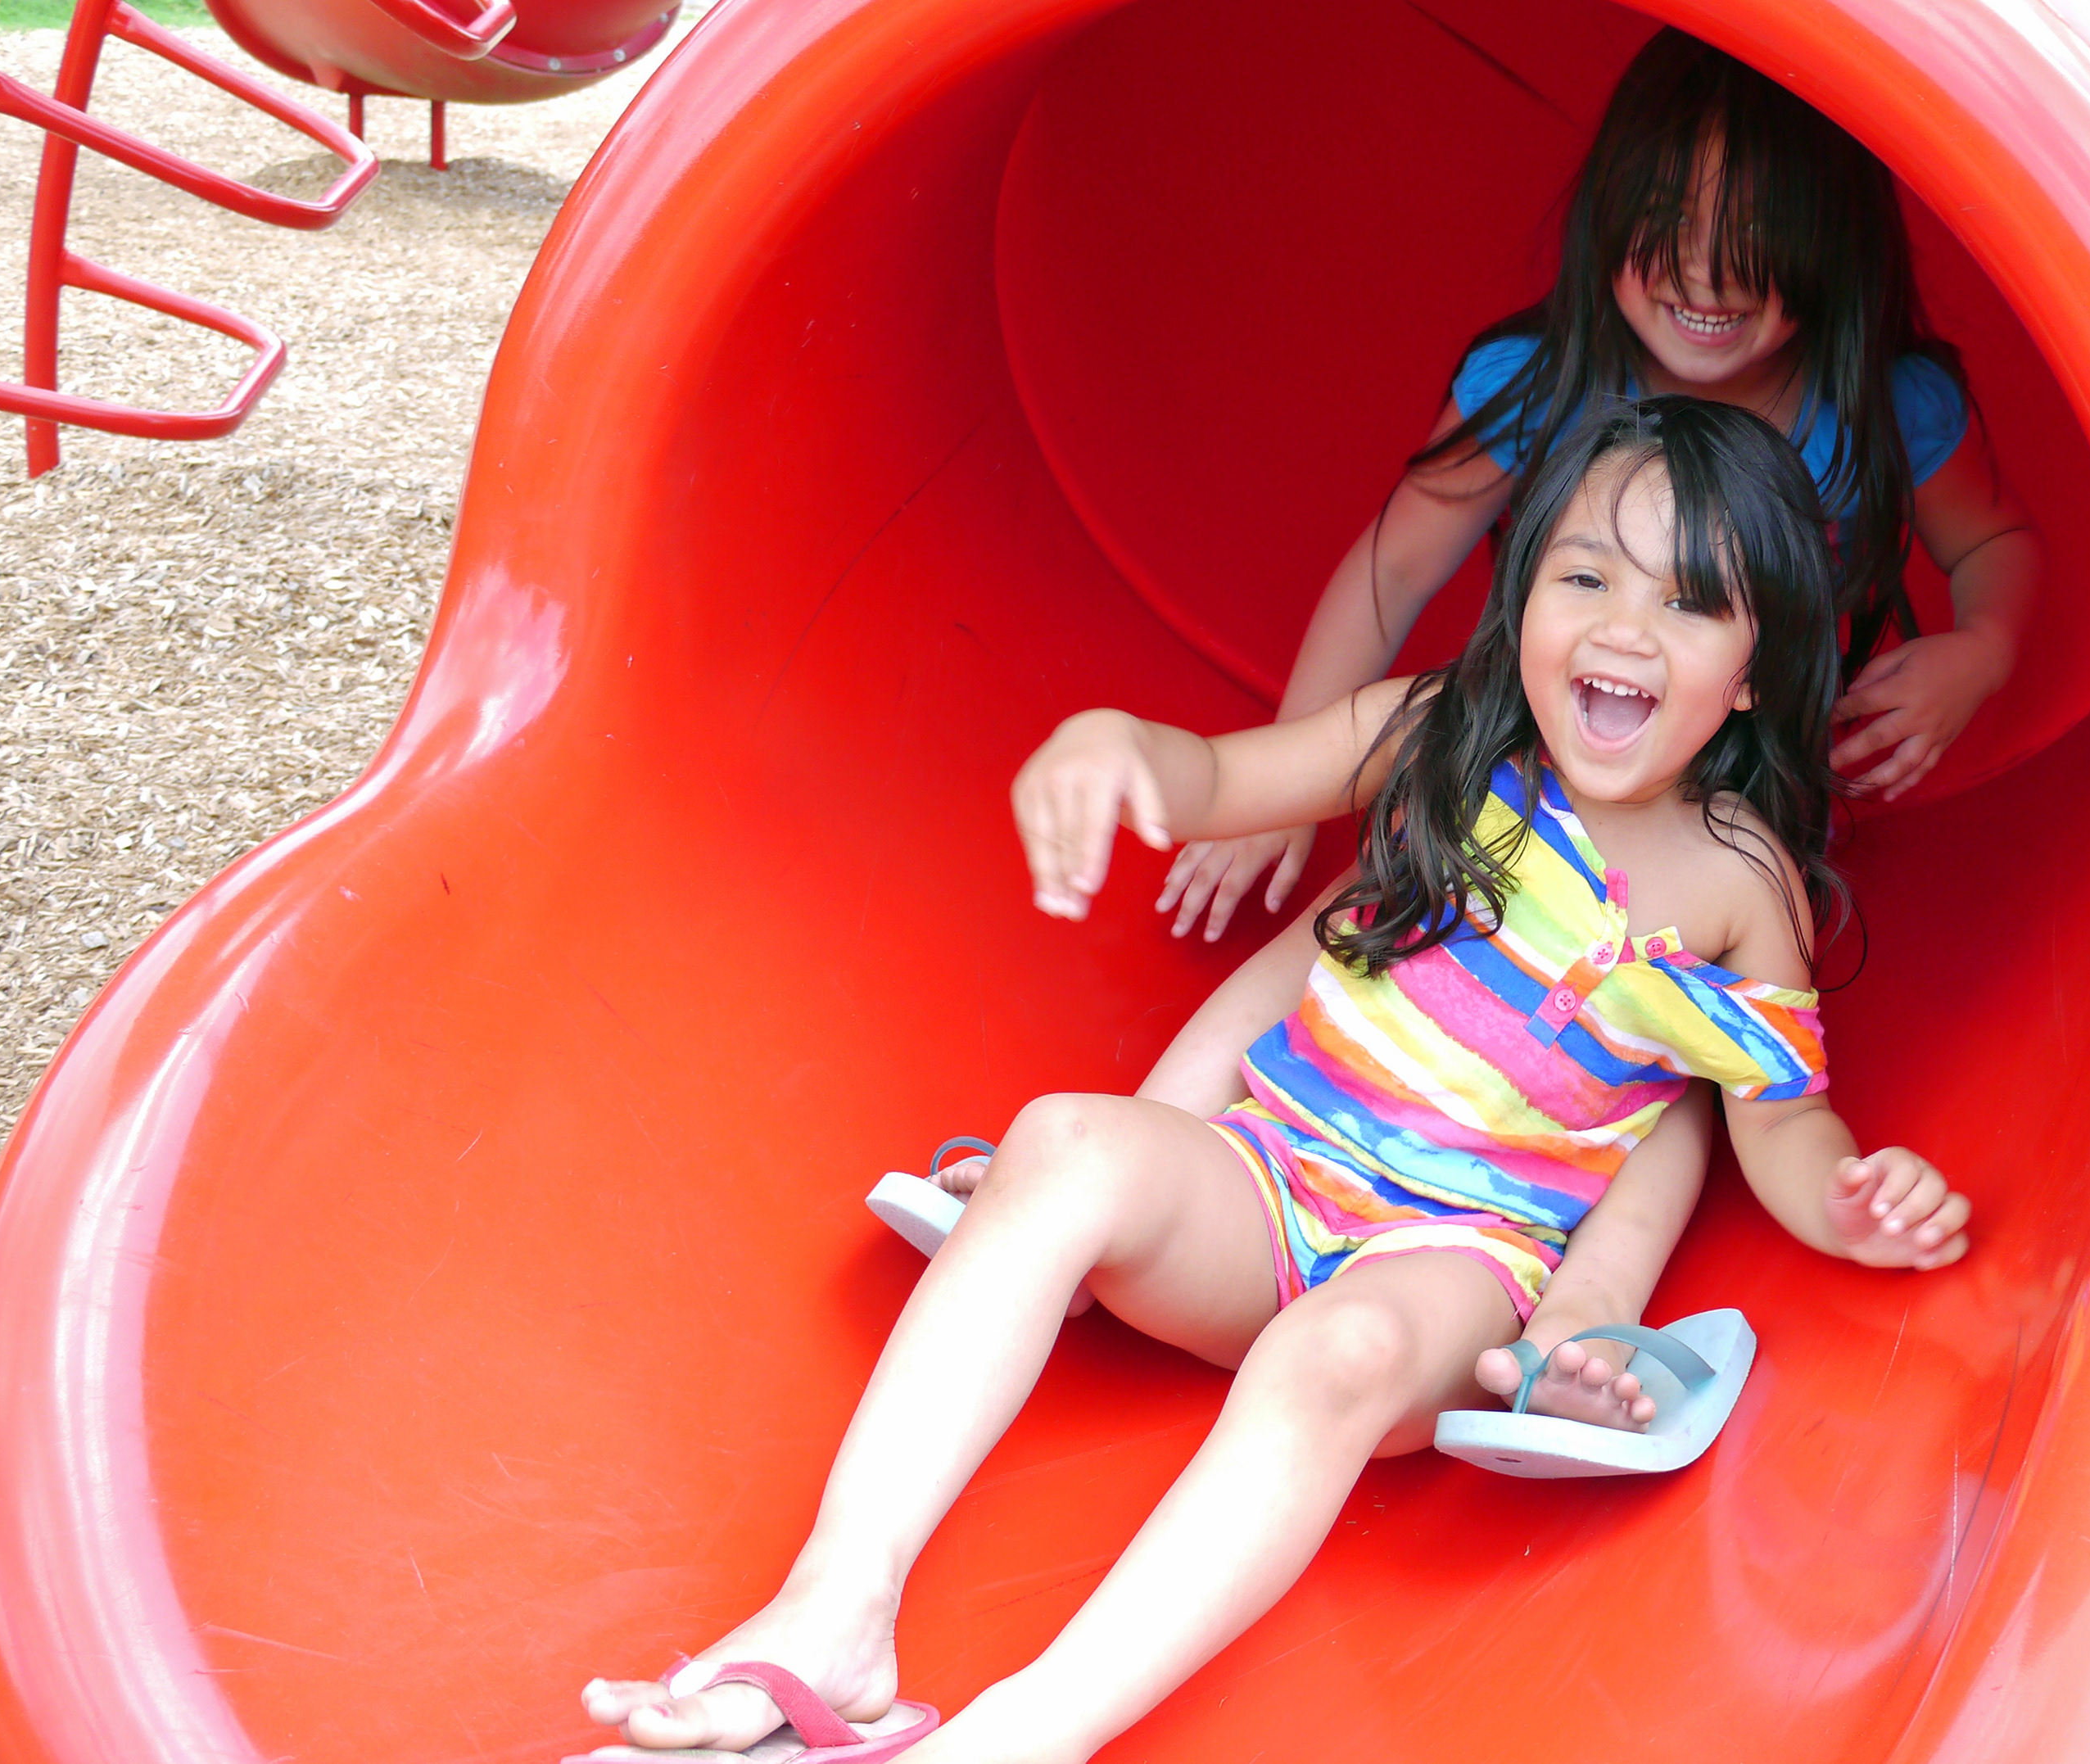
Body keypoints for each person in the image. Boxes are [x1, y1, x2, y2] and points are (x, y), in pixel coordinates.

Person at [577, 400, 1974, 1764]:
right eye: (1585, 575)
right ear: (1522, 596)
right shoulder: (1442, 732)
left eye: (1687, 603)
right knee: (1062, 1139)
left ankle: (1031, 1730)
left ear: (1752, 670)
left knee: (1334, 1354)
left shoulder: (1739, 884)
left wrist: (1849, 1202)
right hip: (1267, 1176)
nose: (1620, 626)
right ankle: (835, 1611)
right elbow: (1221, 777)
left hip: (1456, 1260)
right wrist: (1121, 748)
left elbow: (1777, 1119)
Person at [1152, 25, 2042, 945]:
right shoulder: (1539, 381)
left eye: (1755, 233)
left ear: (1836, 243)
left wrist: (1981, 649)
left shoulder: (1882, 406)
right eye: (1666, 217)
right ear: (1608, 211)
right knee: (1373, 909)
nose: (1704, 271)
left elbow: (1991, 544)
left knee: (1650, 1016)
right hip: (1525, 765)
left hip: (1728, 814)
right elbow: (1394, 569)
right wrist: (1285, 789)